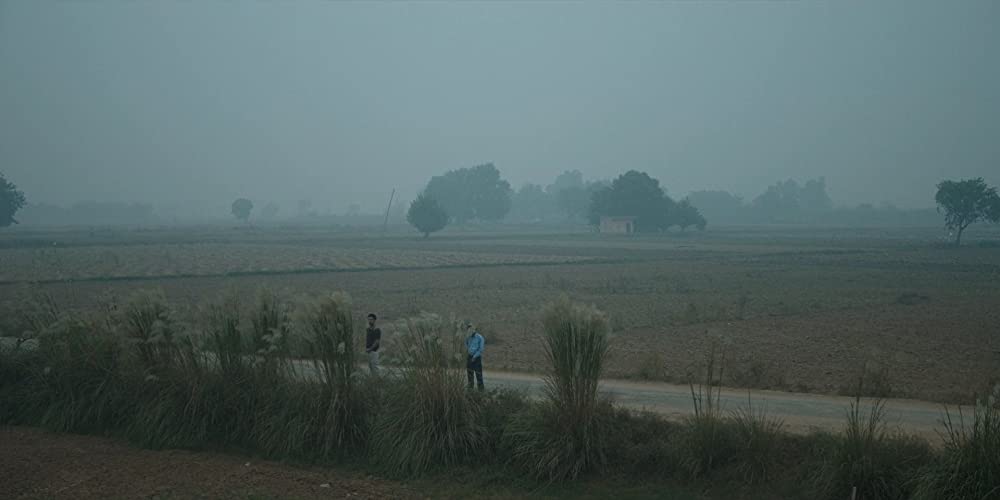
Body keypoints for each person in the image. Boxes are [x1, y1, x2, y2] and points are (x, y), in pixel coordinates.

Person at [465, 322, 485, 390]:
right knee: (470, 375)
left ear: (474, 329)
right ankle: (470, 390)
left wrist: (474, 356)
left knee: (479, 375)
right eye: (469, 329)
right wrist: (468, 352)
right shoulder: (468, 337)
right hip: (469, 357)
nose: (470, 330)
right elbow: (466, 345)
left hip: (477, 358)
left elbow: (481, 349)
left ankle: (481, 391)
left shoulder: (480, 337)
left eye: (471, 329)